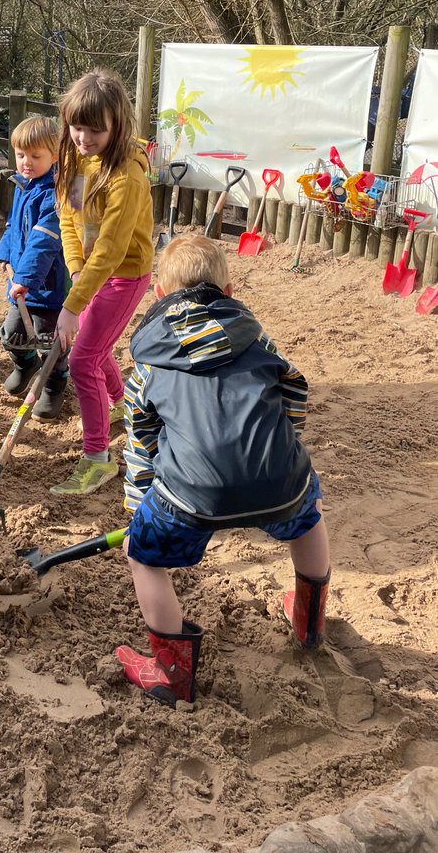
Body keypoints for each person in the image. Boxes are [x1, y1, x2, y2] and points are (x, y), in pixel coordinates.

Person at [116, 234, 331, 707]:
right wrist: (287, 445)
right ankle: (310, 623)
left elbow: (142, 444)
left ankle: (172, 674)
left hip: (193, 495)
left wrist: (138, 507)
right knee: (308, 510)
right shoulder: (258, 339)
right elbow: (295, 387)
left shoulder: (149, 366)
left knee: (144, 556)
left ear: (157, 296)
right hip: (278, 478)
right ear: (229, 291)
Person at [50, 69, 154, 496]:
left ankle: (98, 458)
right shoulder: (75, 161)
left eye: (95, 130)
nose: (83, 138)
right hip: (91, 274)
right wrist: (76, 274)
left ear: (118, 126)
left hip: (124, 275)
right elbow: (70, 221)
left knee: (82, 360)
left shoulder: (127, 177)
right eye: (77, 127)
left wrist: (73, 306)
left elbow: (111, 250)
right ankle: (120, 405)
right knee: (94, 349)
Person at [0, 116, 69, 419]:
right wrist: (5, 255)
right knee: (12, 334)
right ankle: (25, 364)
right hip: (20, 281)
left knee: (51, 342)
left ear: (55, 156)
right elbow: (13, 226)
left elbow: (44, 240)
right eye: (21, 154)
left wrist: (25, 278)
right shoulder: (22, 185)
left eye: (36, 156)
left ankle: (53, 384)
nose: (26, 162)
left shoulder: (56, 194)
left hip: (47, 284)